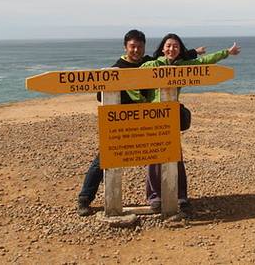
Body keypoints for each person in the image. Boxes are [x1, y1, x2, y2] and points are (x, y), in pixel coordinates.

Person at [77, 29, 205, 216]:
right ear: (125, 47)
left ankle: (176, 198)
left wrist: (194, 52)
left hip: (149, 120)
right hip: (123, 122)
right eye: (132, 46)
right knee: (105, 158)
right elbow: (100, 95)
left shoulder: (148, 62)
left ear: (144, 47)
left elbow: (172, 58)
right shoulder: (117, 68)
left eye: (139, 46)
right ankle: (84, 198)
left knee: (168, 153)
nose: (136, 50)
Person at [141, 33, 241, 213]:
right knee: (154, 157)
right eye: (168, 45)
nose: (171, 49)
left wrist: (227, 52)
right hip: (153, 116)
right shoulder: (152, 65)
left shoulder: (183, 66)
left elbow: (204, 62)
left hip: (171, 116)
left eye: (175, 46)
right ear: (163, 48)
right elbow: (132, 75)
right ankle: (155, 197)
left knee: (175, 156)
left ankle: (180, 196)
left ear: (180, 50)